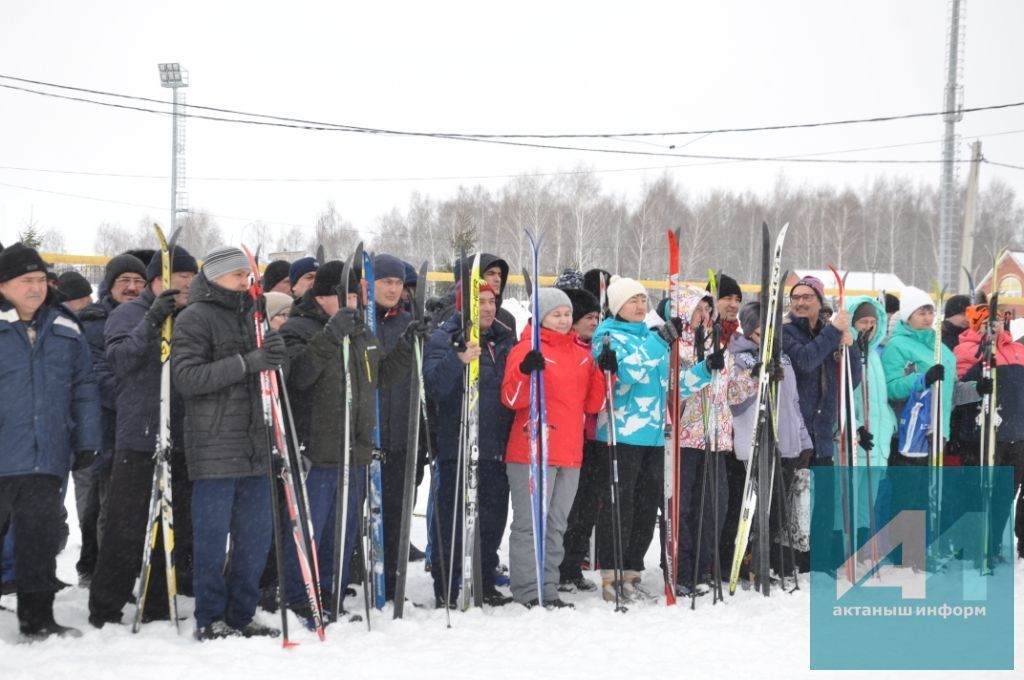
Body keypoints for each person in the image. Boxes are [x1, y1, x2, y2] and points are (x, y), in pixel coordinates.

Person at [279, 260, 413, 622]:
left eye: (356, 295)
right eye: (345, 296)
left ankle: (328, 591)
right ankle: (299, 593)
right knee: (313, 527)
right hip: (317, 448)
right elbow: (299, 376)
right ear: (322, 297)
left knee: (343, 530)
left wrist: (407, 345)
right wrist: (329, 336)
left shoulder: (359, 332)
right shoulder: (298, 328)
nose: (353, 302)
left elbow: (378, 376)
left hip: (354, 449)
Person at [171, 246, 285, 640]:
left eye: (249, 275)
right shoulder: (194, 317)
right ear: (217, 276)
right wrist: (248, 362)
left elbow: (266, 375)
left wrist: (275, 357)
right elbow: (186, 378)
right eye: (239, 275)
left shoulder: (254, 316)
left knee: (255, 540)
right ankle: (210, 617)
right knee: (211, 540)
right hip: (215, 447)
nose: (247, 281)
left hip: (256, 445)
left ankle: (241, 613)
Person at [88, 246, 198, 628]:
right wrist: (152, 320)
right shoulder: (129, 313)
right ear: (158, 280)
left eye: (190, 278)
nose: (186, 284)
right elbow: (119, 360)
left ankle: (155, 601)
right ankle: (105, 606)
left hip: (181, 434)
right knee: (126, 525)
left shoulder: (191, 316)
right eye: (179, 277)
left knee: (171, 525)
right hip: (140, 433)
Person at [591, 276, 715, 603]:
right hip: (622, 435)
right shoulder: (607, 336)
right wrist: (662, 341)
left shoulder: (650, 337)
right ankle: (613, 577)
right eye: (632, 300)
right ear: (617, 305)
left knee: (646, 511)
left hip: (655, 437)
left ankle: (632, 573)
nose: (640, 306)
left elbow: (671, 387)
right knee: (622, 508)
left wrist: (704, 370)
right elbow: (630, 374)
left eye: (643, 300)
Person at [0, 243, 101, 640]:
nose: (36, 288)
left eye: (41, 280)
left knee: (38, 543)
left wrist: (88, 438)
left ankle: (38, 620)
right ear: (4, 284)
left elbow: (84, 388)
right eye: (26, 281)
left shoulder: (65, 325)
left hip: (46, 455)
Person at [502, 287, 605, 608]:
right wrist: (525, 372)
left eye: (566, 314)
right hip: (532, 450)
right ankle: (527, 589)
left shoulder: (581, 354)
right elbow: (511, 398)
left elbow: (593, 404)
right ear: (541, 317)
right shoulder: (525, 349)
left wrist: (604, 372)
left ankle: (548, 587)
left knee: (557, 524)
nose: (563, 320)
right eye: (556, 314)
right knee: (530, 523)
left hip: (570, 453)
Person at [424, 281, 515, 607]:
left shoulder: (503, 339)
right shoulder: (443, 337)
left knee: (491, 519)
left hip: (495, 444)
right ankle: (446, 586)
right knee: (453, 519)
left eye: (492, 301)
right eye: (481, 302)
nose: (489, 308)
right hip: (458, 443)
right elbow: (434, 387)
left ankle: (484, 580)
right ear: (465, 306)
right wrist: (457, 359)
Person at [75, 253, 148, 587]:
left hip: (142, 427)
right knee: (108, 506)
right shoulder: (94, 322)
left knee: (132, 507)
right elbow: (97, 375)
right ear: (110, 285)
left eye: (138, 282)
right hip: (106, 426)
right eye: (124, 281)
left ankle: (123, 568)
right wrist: (139, 397)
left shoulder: (150, 315)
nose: (132, 288)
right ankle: (106, 574)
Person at [782, 275, 861, 574]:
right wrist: (832, 332)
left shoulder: (830, 330)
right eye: (796, 298)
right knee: (796, 501)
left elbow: (851, 380)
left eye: (808, 297)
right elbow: (804, 361)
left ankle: (822, 558)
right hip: (795, 433)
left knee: (824, 502)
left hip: (823, 431)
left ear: (819, 300)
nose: (801, 303)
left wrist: (850, 347)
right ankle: (793, 560)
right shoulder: (787, 333)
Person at [730, 301, 813, 574]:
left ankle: (765, 559)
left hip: (786, 443)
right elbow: (735, 403)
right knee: (760, 507)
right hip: (755, 443)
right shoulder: (738, 356)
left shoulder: (784, 358)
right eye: (759, 331)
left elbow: (793, 402)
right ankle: (750, 559)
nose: (766, 337)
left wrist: (804, 440)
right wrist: (758, 378)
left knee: (778, 511)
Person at [556, 287, 604, 593]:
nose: (594, 323)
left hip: (594, 436)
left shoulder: (596, 348)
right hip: (571, 438)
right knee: (567, 508)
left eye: (597, 317)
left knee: (587, 507)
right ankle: (558, 567)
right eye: (588, 317)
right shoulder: (570, 349)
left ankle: (573, 565)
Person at [881, 286, 956, 466]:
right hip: (910, 430)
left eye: (930, 312)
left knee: (933, 491)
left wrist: (976, 389)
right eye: (921, 313)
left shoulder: (941, 347)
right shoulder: (897, 346)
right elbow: (891, 388)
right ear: (907, 316)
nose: (927, 318)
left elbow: (951, 389)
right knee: (910, 490)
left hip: (939, 430)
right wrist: (922, 379)